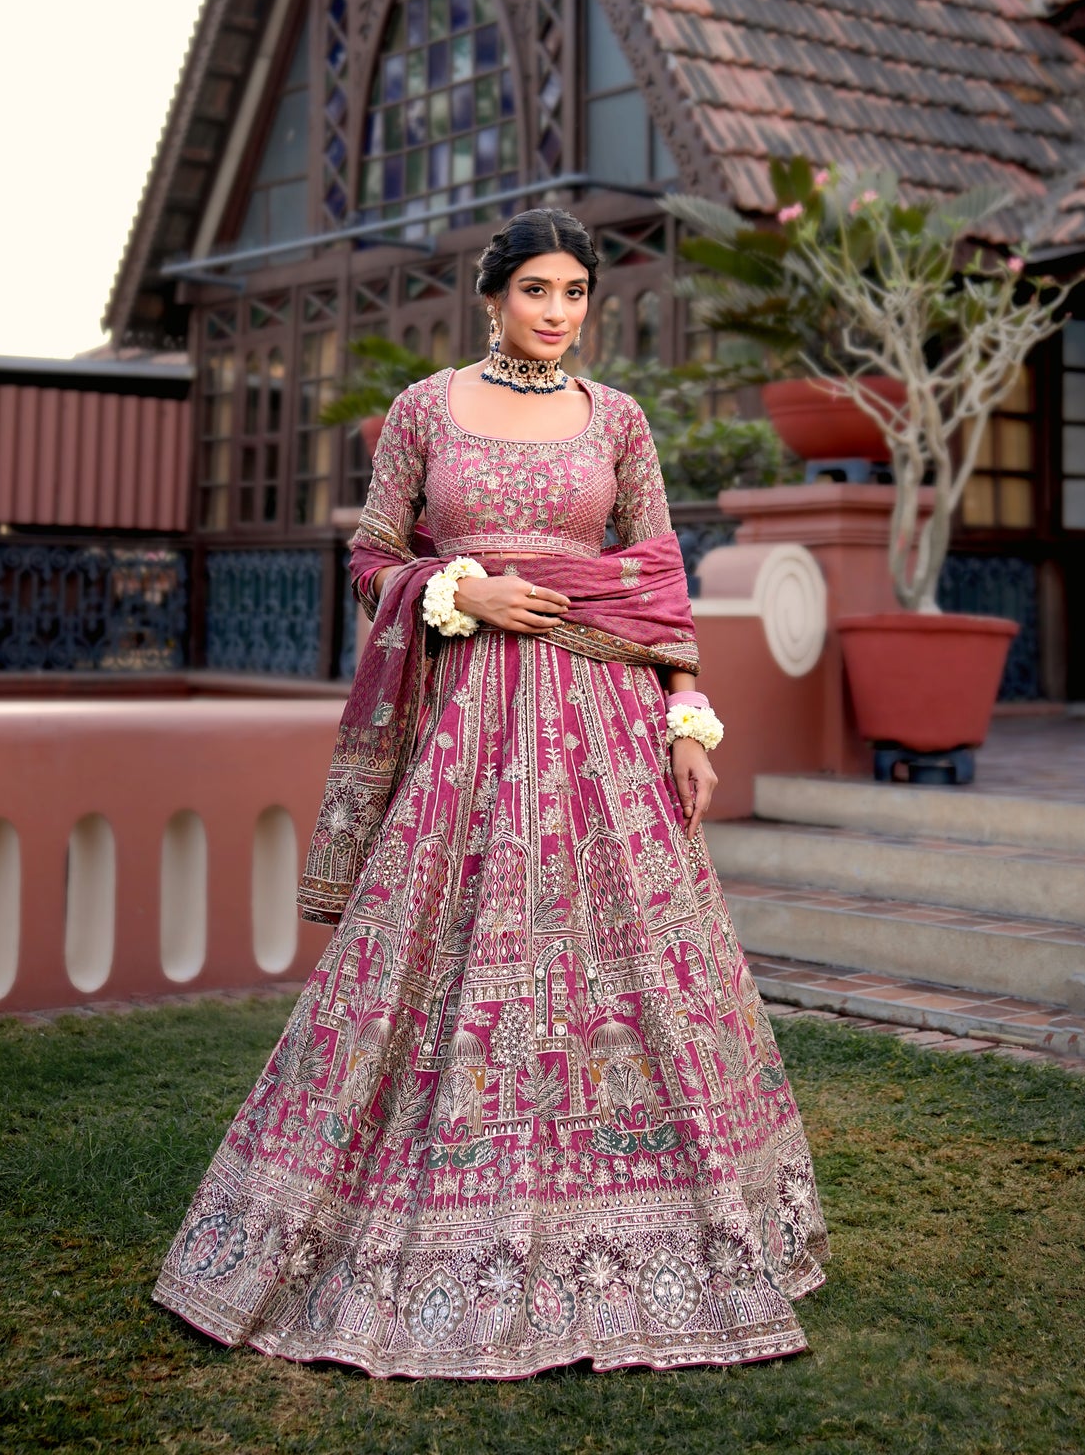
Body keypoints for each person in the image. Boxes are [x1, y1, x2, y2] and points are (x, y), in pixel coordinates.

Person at [154, 208, 827, 1375]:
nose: (557, 311)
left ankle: (670, 1221)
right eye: (535, 290)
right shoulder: (424, 407)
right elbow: (370, 553)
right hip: (468, 721)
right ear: (492, 294)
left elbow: (656, 576)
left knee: (628, 959)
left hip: (605, 723)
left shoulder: (615, 416)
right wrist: (462, 588)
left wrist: (685, 718)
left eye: (574, 291)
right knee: (436, 947)